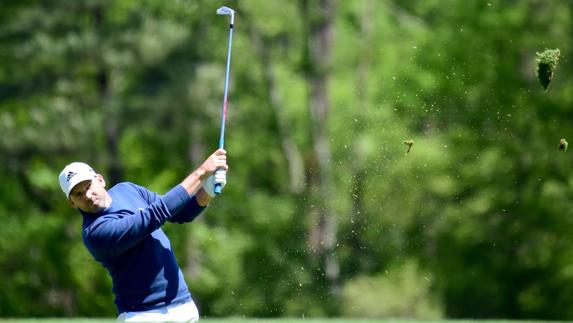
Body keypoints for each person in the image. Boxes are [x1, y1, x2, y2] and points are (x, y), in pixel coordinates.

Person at [58, 149, 228, 322]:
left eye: (88, 186)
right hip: (142, 314)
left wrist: (207, 190)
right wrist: (201, 172)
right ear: (72, 202)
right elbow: (155, 215)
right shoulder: (95, 233)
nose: (87, 195)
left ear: (100, 180)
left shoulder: (127, 190)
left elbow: (181, 213)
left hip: (182, 306)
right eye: (78, 194)